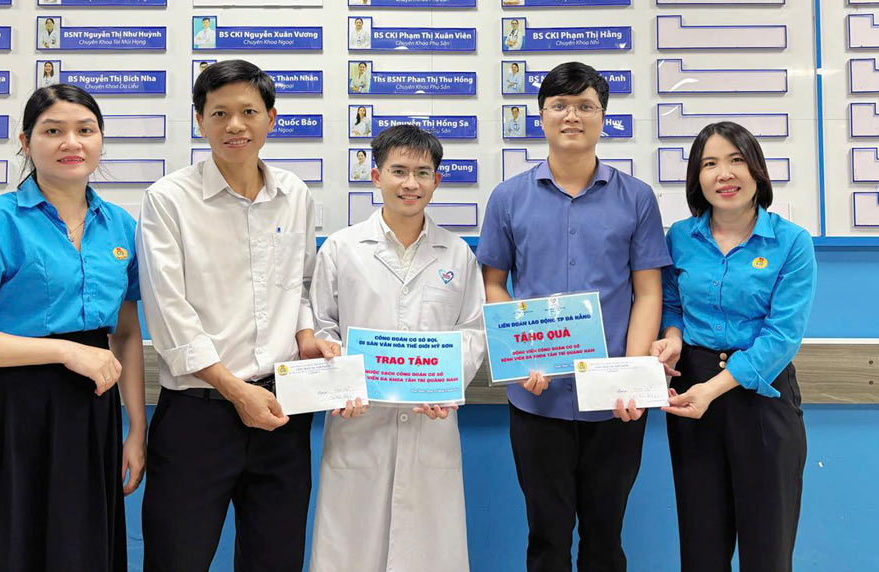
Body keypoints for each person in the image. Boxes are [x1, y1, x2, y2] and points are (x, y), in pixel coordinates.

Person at [0, 84, 146, 572]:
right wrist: (65, 352)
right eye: (53, 131)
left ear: (101, 140)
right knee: (3, 548)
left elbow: (126, 333)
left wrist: (136, 428)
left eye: (85, 130)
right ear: (25, 142)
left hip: (91, 416)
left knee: (78, 550)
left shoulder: (121, 227)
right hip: (7, 414)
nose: (72, 142)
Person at [137, 59, 339, 572]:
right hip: (197, 415)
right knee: (177, 558)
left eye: (249, 111)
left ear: (271, 118)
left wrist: (307, 335)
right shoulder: (168, 201)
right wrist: (234, 389)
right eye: (219, 112)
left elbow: (302, 284)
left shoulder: (294, 195)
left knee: (276, 559)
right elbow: (168, 313)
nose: (235, 125)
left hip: (281, 411)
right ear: (199, 120)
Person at [477, 61, 671, 572]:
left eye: (585, 106)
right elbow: (493, 283)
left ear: (602, 117)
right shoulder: (507, 198)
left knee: (606, 538)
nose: (572, 116)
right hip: (536, 398)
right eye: (560, 105)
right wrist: (516, 357)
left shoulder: (637, 197)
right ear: (541, 116)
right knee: (546, 537)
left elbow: (648, 292)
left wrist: (628, 377)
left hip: (615, 405)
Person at [309, 124, 486, 572]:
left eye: (423, 173)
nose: (411, 184)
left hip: (432, 423)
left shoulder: (457, 254)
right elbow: (321, 326)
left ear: (437, 181)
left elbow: (473, 329)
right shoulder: (341, 249)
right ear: (376, 176)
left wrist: (443, 384)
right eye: (399, 171)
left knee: (429, 550)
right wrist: (337, 380)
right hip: (359, 423)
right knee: (351, 549)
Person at [653, 121, 815, 572]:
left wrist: (713, 388)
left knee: (768, 546)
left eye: (736, 160)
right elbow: (671, 304)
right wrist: (671, 338)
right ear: (696, 178)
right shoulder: (680, 238)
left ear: (756, 171)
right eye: (710, 164)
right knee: (702, 544)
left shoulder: (791, 242)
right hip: (692, 393)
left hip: (762, 397)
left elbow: (782, 335)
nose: (724, 174)